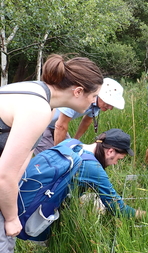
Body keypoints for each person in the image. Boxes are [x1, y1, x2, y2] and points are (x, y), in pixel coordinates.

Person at [0, 53, 103, 252]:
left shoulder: (38, 93)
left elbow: (23, 157)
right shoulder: (38, 108)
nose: (93, 102)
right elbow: (4, 176)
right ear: (78, 91)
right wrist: (12, 218)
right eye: (93, 96)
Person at [34, 78, 125, 155]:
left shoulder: (97, 106)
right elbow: (61, 125)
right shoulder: (80, 96)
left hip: (55, 124)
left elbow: (86, 121)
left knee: (72, 153)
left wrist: (75, 140)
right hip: (41, 123)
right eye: (109, 103)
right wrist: (59, 152)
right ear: (101, 96)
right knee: (51, 159)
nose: (111, 108)